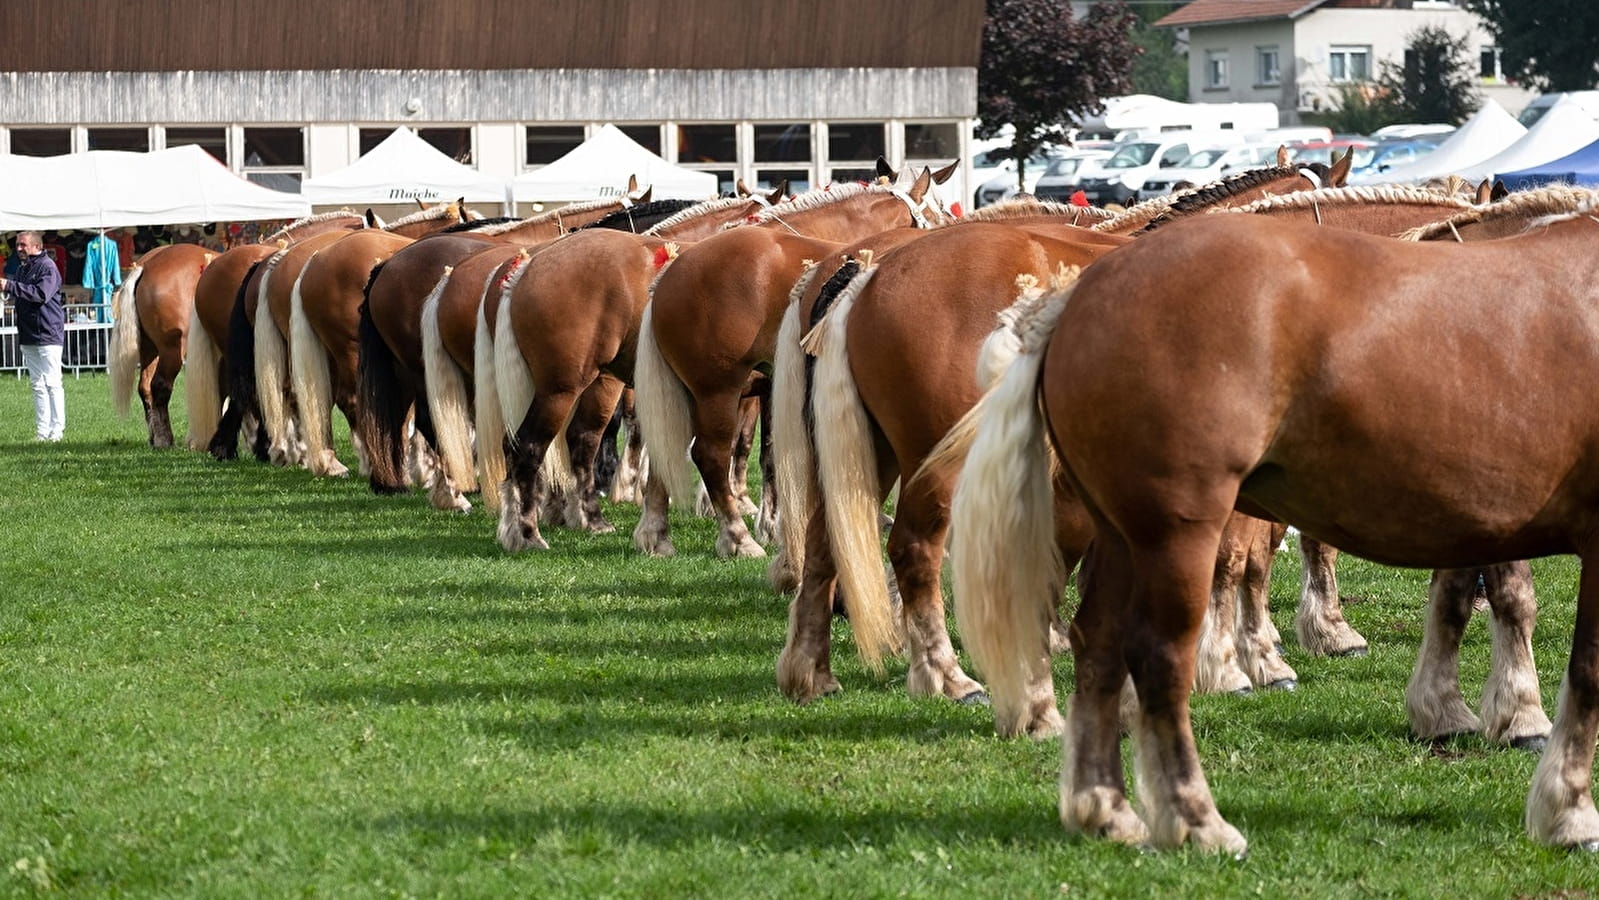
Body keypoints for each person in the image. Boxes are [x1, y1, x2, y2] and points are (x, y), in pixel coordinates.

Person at [1, 231, 66, 441]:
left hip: (48, 333)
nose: (18, 248)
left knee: (53, 383)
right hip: (28, 334)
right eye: (18, 245)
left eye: (23, 245)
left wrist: (10, 286)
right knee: (37, 384)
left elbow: (40, 295)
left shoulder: (48, 267)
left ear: (37, 246)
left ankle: (56, 431)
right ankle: (42, 432)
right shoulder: (22, 268)